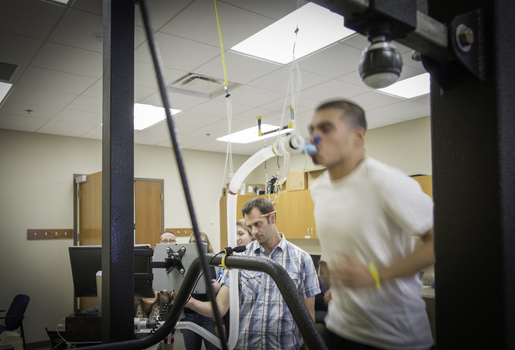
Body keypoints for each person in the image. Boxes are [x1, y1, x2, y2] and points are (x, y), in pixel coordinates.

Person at [308, 99, 435, 350]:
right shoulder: (320, 188)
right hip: (340, 326)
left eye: (326, 128)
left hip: (393, 336)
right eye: (312, 130)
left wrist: (374, 276)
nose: (315, 137)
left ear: (357, 136)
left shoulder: (386, 181)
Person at [185, 197, 321, 350]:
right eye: (250, 226)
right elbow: (220, 307)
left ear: (272, 217)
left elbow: (308, 316)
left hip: (285, 345)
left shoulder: (302, 259)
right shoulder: (240, 259)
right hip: (246, 345)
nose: (255, 232)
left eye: (258, 224)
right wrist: (191, 303)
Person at [181, 232, 218, 350]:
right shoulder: (183, 263)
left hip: (209, 314)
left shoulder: (215, 262)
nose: (198, 245)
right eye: (194, 242)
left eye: (201, 242)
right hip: (189, 314)